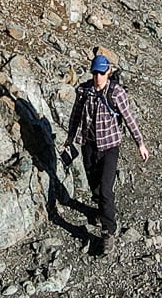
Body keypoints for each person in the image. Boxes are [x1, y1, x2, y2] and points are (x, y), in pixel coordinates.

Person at [63, 51, 149, 250]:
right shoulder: (84, 91)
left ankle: (108, 231)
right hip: (89, 145)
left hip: (110, 147)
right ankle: (100, 210)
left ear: (108, 72)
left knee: (106, 189)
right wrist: (70, 136)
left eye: (101, 73)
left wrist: (140, 144)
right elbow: (76, 115)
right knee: (94, 186)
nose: (98, 77)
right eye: (95, 73)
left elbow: (129, 119)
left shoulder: (116, 93)